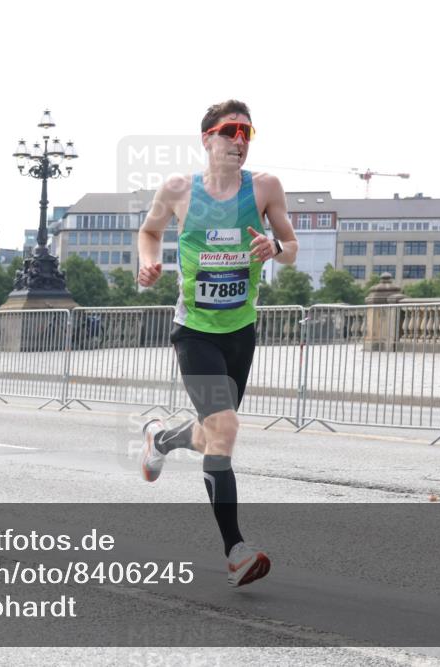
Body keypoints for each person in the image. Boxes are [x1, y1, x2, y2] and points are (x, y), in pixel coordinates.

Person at [136, 100, 298, 587]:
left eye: (248, 132)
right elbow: (149, 231)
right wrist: (148, 262)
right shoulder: (179, 190)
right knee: (225, 429)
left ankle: (163, 437)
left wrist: (275, 248)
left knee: (213, 436)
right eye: (230, 131)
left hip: (240, 333)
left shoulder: (265, 188)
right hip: (195, 332)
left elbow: (290, 249)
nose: (240, 140)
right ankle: (236, 551)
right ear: (207, 138)